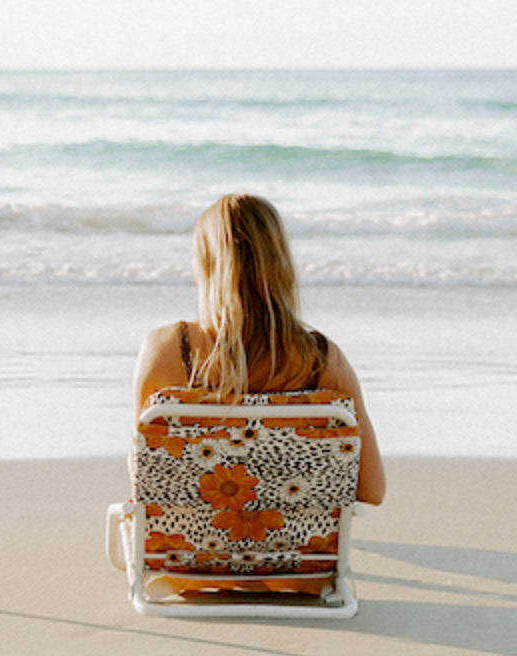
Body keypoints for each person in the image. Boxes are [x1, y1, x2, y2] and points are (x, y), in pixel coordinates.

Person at [132, 193, 385, 504]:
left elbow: (144, 479)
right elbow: (372, 490)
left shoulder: (170, 349)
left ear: (206, 264)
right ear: (280, 262)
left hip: (184, 551)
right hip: (297, 550)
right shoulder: (321, 359)